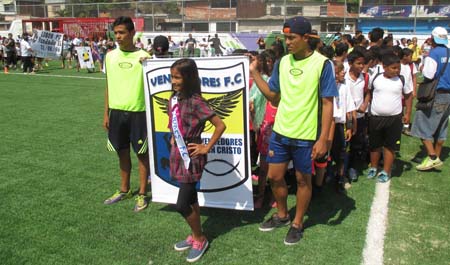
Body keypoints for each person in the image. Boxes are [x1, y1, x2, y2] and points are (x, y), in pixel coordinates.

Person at [249, 16, 337, 245]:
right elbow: (274, 98)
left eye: (292, 38)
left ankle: (297, 223)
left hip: (306, 136)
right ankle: (282, 215)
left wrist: (324, 139)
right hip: (280, 132)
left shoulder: (322, 64)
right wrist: (255, 74)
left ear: (306, 38)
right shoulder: (283, 62)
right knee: (274, 177)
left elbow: (328, 103)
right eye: (286, 37)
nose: (287, 42)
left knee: (302, 180)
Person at [169, 58, 226, 262]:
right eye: (172, 76)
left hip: (191, 158)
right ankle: (194, 235)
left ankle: (200, 239)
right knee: (191, 198)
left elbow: (220, 126)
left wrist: (206, 147)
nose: (173, 81)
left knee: (182, 205)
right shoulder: (174, 98)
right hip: (178, 154)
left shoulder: (196, 101)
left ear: (189, 78)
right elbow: (174, 124)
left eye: (177, 77)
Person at [102, 16, 150, 212]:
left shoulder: (145, 57)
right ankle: (124, 190)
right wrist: (106, 113)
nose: (118, 37)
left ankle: (142, 194)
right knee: (121, 152)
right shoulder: (110, 56)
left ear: (132, 33)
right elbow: (107, 85)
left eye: (122, 33)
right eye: (116, 33)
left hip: (139, 113)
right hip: (116, 113)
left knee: (141, 154)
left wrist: (149, 63)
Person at [367, 52, 413, 182]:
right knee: (375, 145)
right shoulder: (376, 78)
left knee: (390, 146)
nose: (396, 70)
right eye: (393, 68)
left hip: (394, 119)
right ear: (384, 67)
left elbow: (409, 96)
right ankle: (374, 167)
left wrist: (408, 113)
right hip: (376, 118)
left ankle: (386, 171)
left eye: (398, 68)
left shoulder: (401, 80)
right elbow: (369, 92)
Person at [411, 27, 450, 171]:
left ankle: (432, 157)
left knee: (422, 124)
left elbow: (428, 74)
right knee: (442, 126)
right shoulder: (448, 51)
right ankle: (436, 157)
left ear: (433, 38)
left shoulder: (434, 54)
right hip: (448, 95)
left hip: (436, 94)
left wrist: (422, 66)